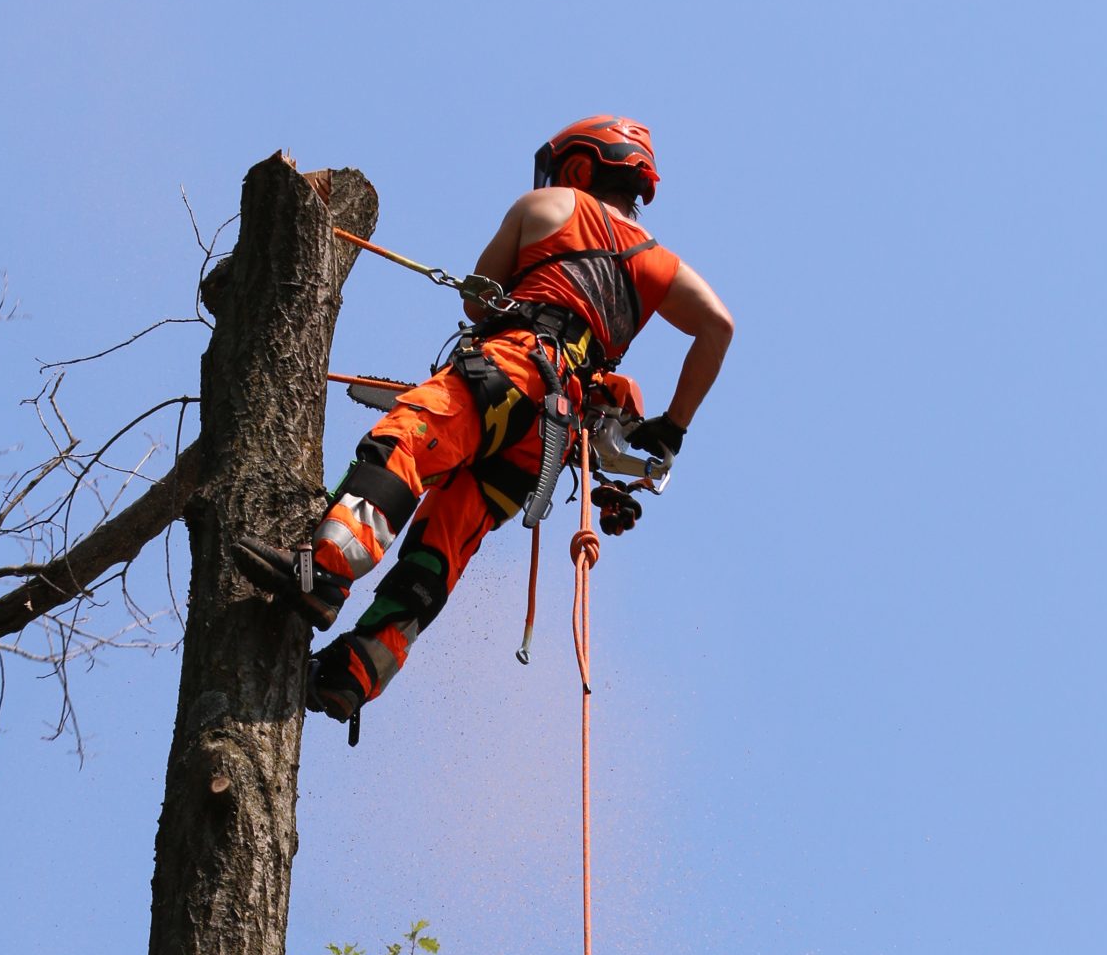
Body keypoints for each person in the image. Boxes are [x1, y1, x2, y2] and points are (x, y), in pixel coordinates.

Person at [236, 115, 734, 723]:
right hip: (549, 438)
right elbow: (718, 326)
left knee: (408, 438)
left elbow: (476, 298)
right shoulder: (662, 265)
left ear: (579, 166)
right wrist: (672, 428)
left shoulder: (550, 203)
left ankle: (327, 570)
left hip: (514, 369)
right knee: (446, 538)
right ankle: (358, 671)